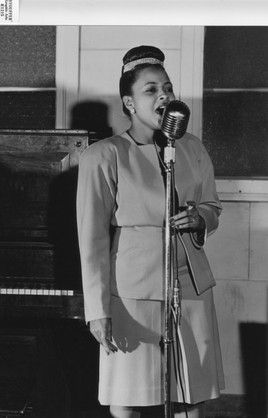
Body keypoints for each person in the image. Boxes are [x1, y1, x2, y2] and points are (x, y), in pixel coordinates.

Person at [76, 45, 225, 418]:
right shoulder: (104, 155)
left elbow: (212, 206)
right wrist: (97, 309)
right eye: (151, 90)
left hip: (190, 286)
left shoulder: (191, 148)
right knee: (129, 396)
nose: (165, 96)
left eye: (169, 88)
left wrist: (200, 218)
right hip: (132, 293)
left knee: (191, 391)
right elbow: (91, 238)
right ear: (129, 103)